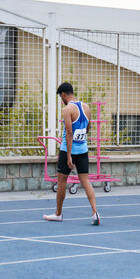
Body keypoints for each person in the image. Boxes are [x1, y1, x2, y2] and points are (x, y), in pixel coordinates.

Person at [43, 82, 100, 225]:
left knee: (62, 181)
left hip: (68, 150)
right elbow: (87, 128)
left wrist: (68, 155)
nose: (61, 99)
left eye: (60, 97)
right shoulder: (86, 107)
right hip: (83, 150)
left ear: (63, 94)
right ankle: (95, 213)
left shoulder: (67, 109)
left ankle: (58, 214)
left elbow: (69, 133)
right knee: (85, 180)